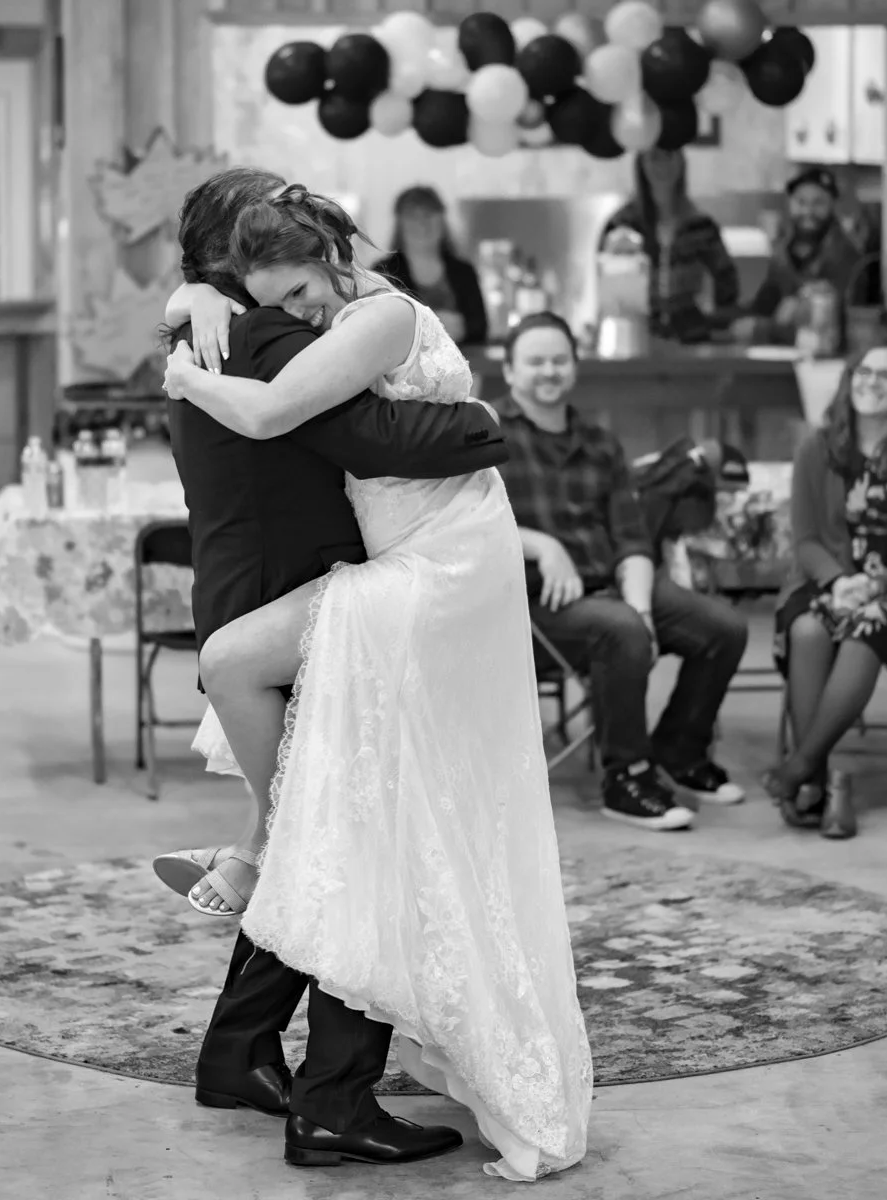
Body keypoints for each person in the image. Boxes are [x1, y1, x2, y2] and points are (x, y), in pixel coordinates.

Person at [162, 183, 592, 1182]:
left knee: (362, 821)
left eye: (308, 287)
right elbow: (361, 434)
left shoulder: (347, 313)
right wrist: (484, 430)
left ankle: (296, 1059)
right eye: (280, 288)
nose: (303, 312)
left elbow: (364, 429)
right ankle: (310, 1074)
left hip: (424, 565)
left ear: (324, 251)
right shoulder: (253, 323)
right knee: (359, 818)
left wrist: (484, 430)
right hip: (364, 564)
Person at [495, 312, 749, 829]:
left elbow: (631, 539)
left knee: (722, 628)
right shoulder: (485, 435)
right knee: (621, 631)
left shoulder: (600, 443)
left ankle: (679, 751)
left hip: (612, 587)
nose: (549, 371)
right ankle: (626, 778)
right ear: (509, 370)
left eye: (559, 360)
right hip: (534, 602)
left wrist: (640, 607)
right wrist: (541, 544)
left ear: (575, 367)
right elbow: (462, 529)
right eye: (535, 361)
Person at [764, 344, 887, 836]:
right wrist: (839, 581)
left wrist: (876, 583)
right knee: (808, 628)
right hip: (828, 579)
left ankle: (799, 768)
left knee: (866, 627)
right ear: (849, 380)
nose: (873, 383)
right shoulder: (817, 446)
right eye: (864, 373)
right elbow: (805, 538)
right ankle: (827, 781)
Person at [599, 148, 739, 342]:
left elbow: (728, 287)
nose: (662, 166)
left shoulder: (701, 227)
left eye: (669, 155)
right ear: (642, 163)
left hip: (692, 340)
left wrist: (713, 322)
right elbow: (607, 293)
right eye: (655, 157)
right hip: (634, 339)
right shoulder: (622, 226)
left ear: (681, 161)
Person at [732, 167, 877, 346]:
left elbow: (832, 331)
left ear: (832, 205)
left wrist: (764, 329)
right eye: (801, 202)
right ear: (790, 204)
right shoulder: (783, 253)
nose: (808, 212)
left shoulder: (847, 257)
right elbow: (764, 305)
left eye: (818, 203)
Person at [372, 185, 487, 347]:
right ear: (400, 223)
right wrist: (431, 325)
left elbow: (480, 328)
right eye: (412, 216)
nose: (422, 223)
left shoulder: (464, 271)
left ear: (442, 219)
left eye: (428, 215)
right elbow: (376, 330)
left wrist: (465, 329)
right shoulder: (383, 272)